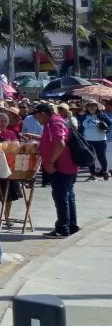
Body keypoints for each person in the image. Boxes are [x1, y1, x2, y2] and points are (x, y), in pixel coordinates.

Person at [33, 102, 80, 237]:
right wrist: (35, 138)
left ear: (43, 113)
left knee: (61, 197)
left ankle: (63, 228)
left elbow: (60, 143)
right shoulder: (54, 122)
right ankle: (71, 226)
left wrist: (51, 162)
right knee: (68, 196)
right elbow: (53, 141)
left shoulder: (55, 123)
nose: (36, 119)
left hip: (61, 167)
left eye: (37, 116)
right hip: (65, 166)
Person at [76, 99, 111, 180]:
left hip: (101, 140)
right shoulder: (83, 116)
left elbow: (110, 124)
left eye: (93, 105)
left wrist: (106, 130)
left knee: (101, 157)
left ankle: (105, 171)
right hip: (88, 140)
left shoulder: (102, 115)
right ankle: (92, 175)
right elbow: (80, 128)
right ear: (87, 107)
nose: (91, 107)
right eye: (89, 105)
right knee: (90, 158)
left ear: (97, 106)